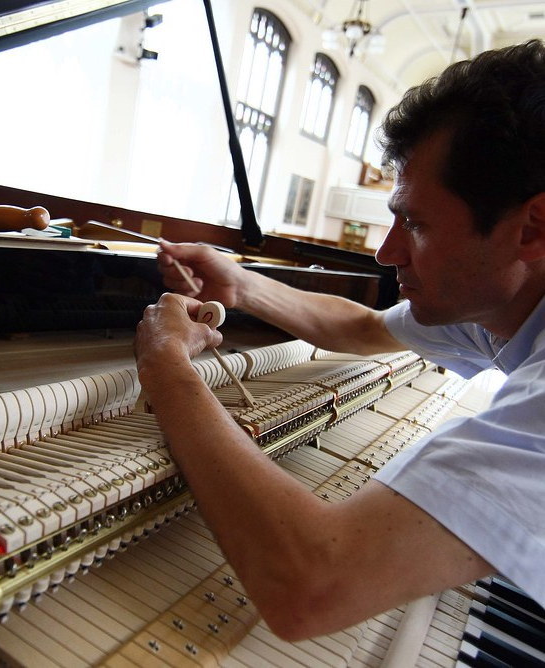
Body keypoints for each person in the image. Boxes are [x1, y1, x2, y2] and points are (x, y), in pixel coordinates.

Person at [133, 39, 545, 641]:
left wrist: (166, 364)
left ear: (532, 227)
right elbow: (365, 328)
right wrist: (241, 283)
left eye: (417, 224)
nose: (386, 253)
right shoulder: (509, 298)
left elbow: (313, 584)